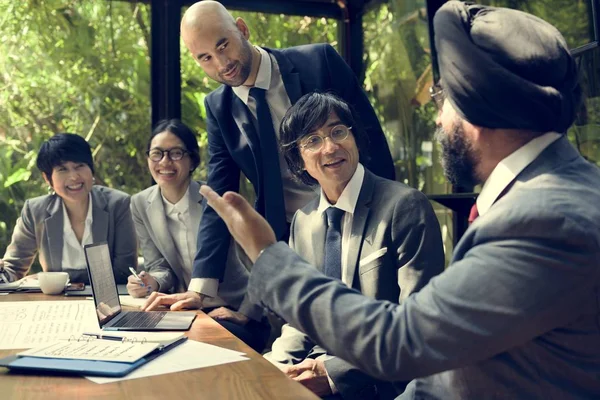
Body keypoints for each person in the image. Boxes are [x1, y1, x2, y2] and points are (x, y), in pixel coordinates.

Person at [197, 2, 600, 398]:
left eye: (444, 99)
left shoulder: (540, 221)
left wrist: (268, 255)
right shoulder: (551, 193)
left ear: (478, 109)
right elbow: (454, 359)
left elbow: (404, 342)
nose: (440, 119)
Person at [143, 0, 395, 313]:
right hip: (288, 235)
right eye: (205, 58)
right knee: (294, 337)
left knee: (360, 319)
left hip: (356, 219)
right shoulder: (218, 107)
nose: (221, 64)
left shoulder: (319, 62)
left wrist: (387, 219)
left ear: (242, 29)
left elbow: (371, 144)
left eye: (224, 45)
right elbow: (221, 195)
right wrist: (200, 289)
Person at [263, 92, 444, 398]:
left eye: (337, 132)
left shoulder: (405, 207)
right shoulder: (303, 221)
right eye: (313, 140)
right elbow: (301, 318)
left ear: (355, 137)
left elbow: (414, 327)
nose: (331, 147)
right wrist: (274, 367)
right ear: (298, 160)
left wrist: (332, 374)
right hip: (314, 370)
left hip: (383, 382)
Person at [128, 119, 269, 352]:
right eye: (157, 154)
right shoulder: (140, 203)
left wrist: (245, 312)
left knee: (189, 347)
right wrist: (152, 281)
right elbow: (159, 266)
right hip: (186, 313)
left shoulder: (217, 200)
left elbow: (263, 260)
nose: (165, 162)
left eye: (175, 153)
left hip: (233, 312)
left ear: (192, 160)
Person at [0, 133, 136, 284]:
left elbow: (125, 271)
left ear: (91, 169)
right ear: (47, 178)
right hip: (55, 303)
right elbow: (13, 267)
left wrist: (57, 277)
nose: (74, 177)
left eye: (79, 166)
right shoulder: (35, 211)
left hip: (107, 301)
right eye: (62, 169)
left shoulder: (117, 205)